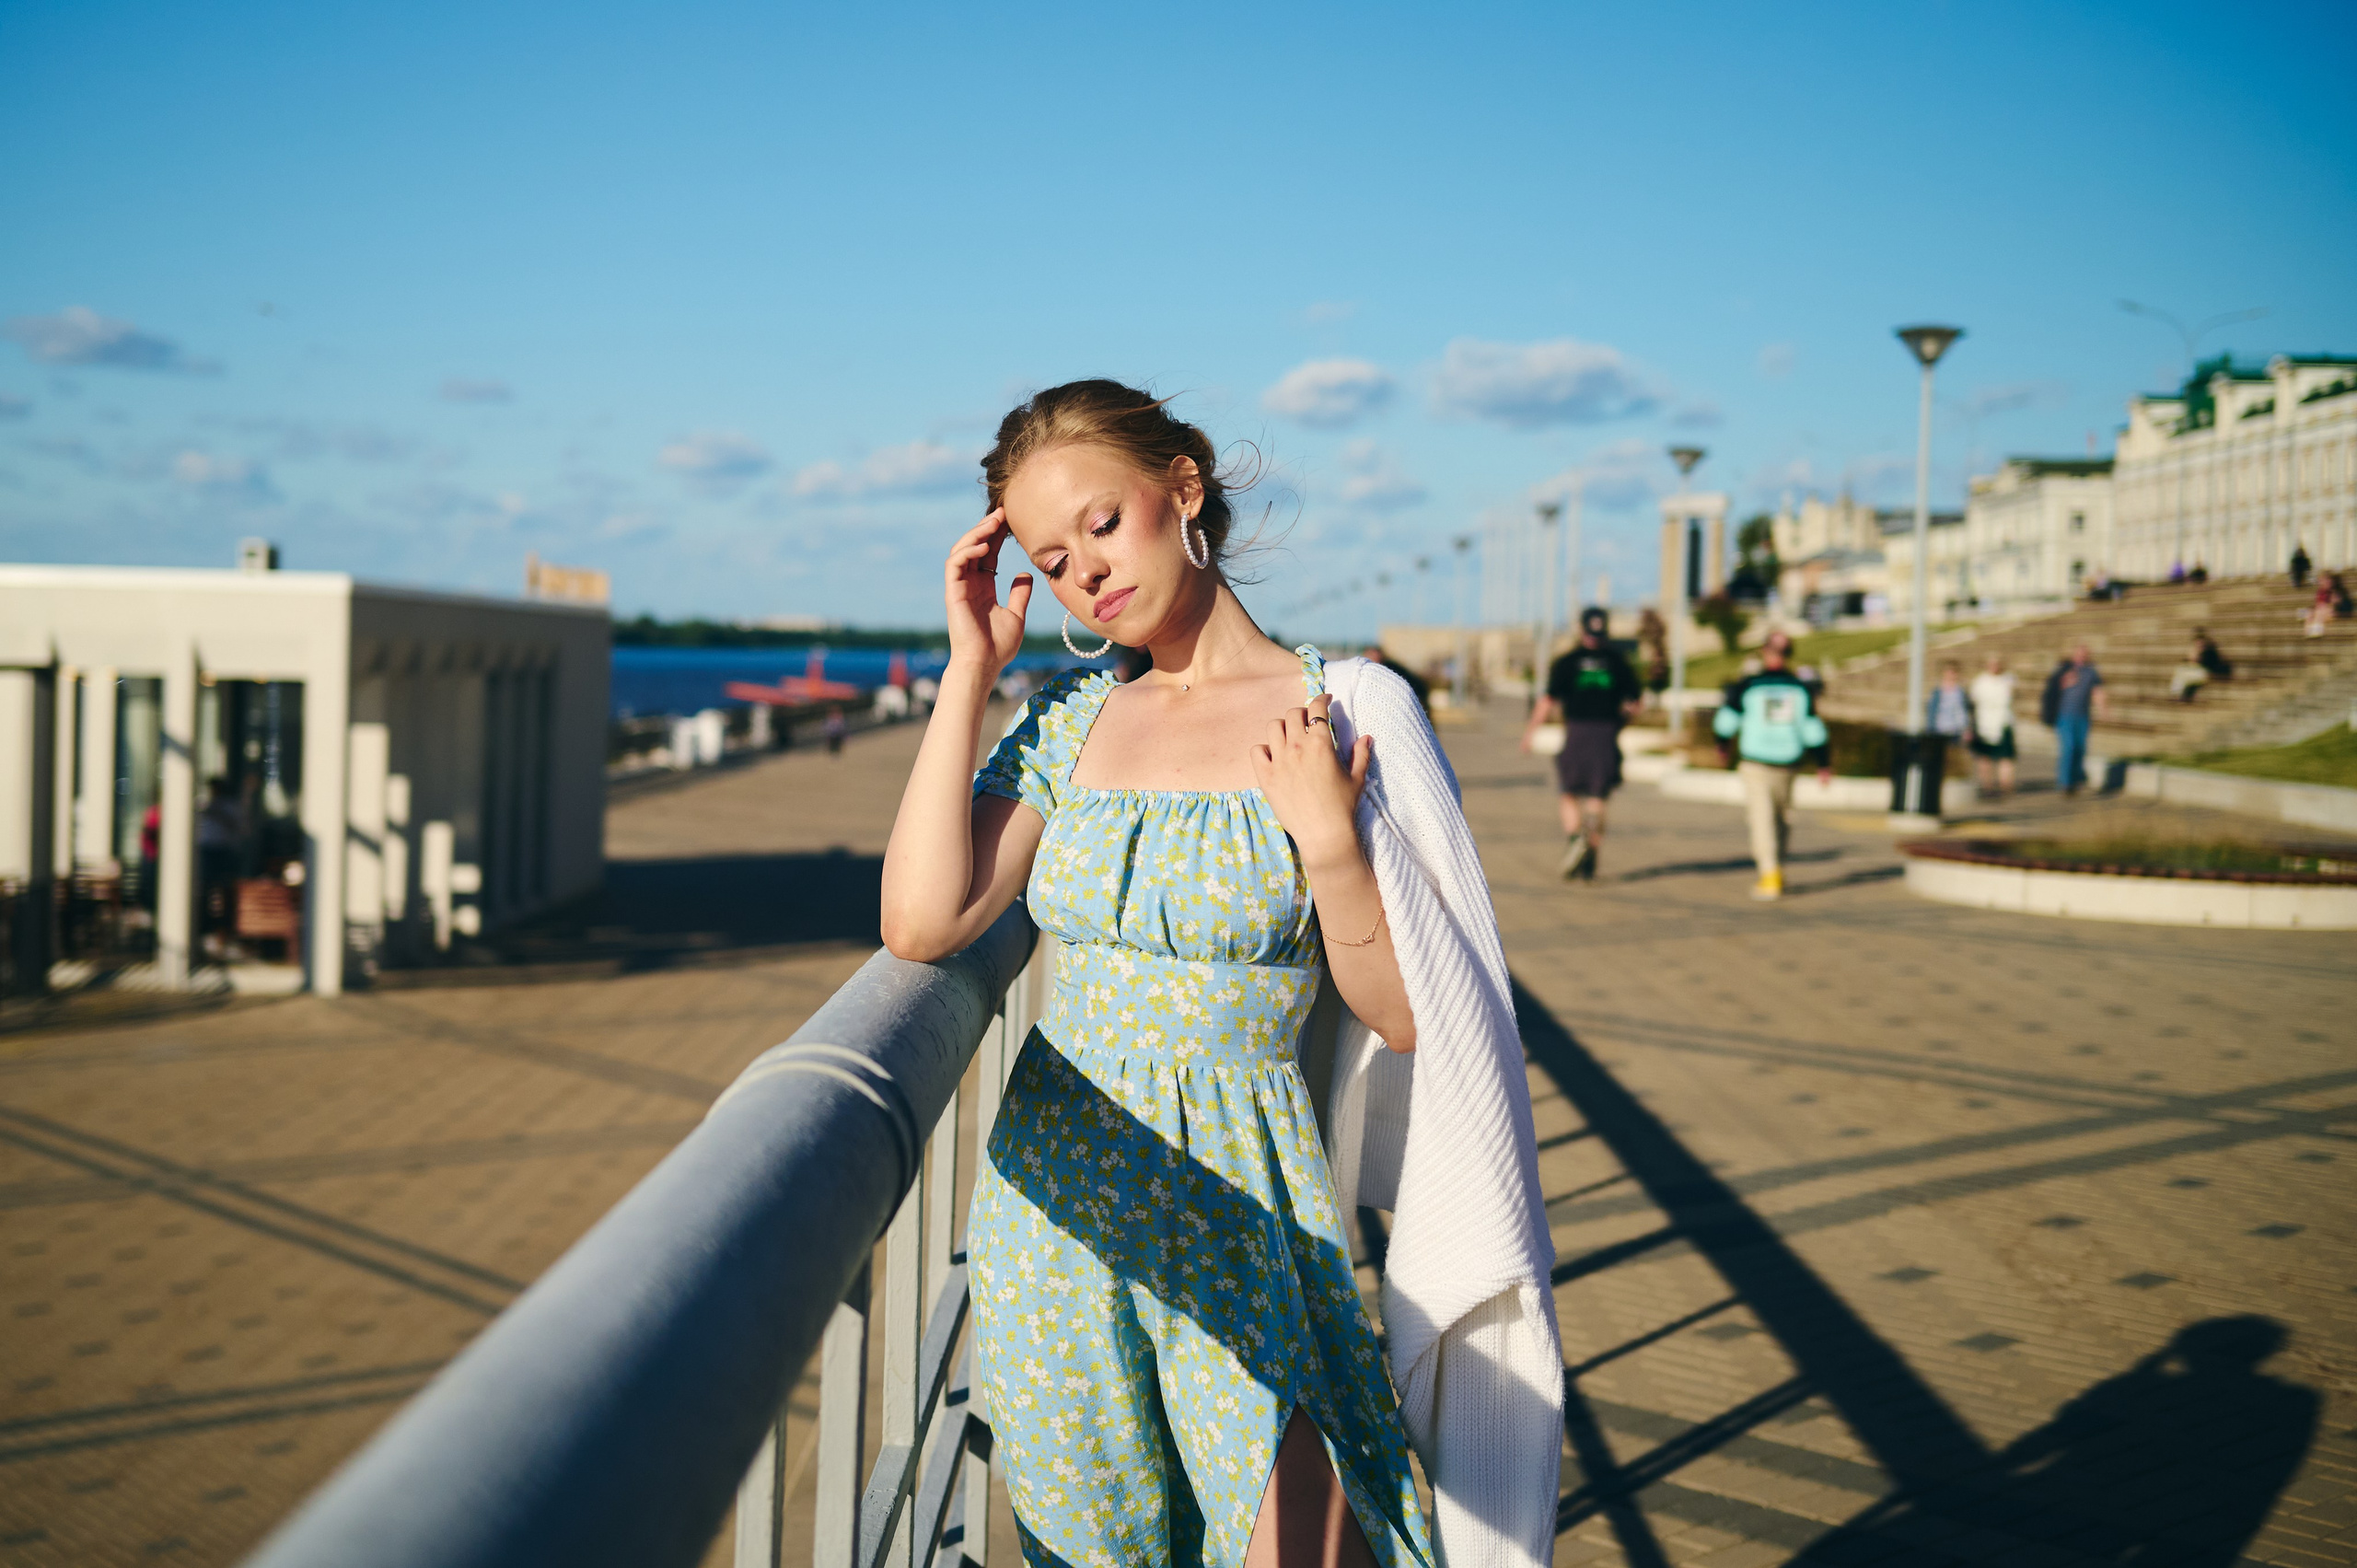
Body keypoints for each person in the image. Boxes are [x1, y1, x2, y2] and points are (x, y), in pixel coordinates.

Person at [879, 380, 1561, 1568]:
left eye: (1102, 523)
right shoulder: (1071, 721)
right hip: (1055, 1197)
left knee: (1298, 1538)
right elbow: (922, 920)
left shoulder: (1341, 709)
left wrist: (1332, 843)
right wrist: (968, 671)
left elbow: (1410, 1014)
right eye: (1053, 559)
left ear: (1183, 488)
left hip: (1243, 1188)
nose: (1087, 571)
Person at [1521, 606, 1641, 881]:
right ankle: (1591, 849)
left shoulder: (1568, 661)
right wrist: (1621, 723)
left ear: (1581, 630)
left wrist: (1529, 734)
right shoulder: (1618, 661)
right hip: (1606, 733)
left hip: (1576, 732)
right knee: (1598, 797)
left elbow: (1547, 701)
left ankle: (1576, 838)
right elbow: (1635, 703)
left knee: (1569, 792)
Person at [1712, 630, 1831, 901]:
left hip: (1774, 763)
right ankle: (1772, 869)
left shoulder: (1753, 685)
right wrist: (1823, 762)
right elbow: (1813, 729)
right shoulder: (1795, 688)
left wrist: (1722, 744)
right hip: (1769, 763)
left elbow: (1726, 721)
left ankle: (1772, 870)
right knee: (1771, 818)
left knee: (1773, 819)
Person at [2043, 644, 2107, 795]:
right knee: (2068, 748)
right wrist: (2064, 682)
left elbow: (2097, 691)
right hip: (2065, 716)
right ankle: (2065, 783)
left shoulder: (2091, 672)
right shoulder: (2064, 669)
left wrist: (2103, 710)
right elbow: (2052, 689)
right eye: (2079, 654)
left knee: (2080, 749)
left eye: (2084, 654)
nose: (2081, 656)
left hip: (2082, 716)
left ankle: (2076, 779)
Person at [1967, 655, 2017, 799]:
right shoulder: (1980, 682)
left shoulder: (2008, 679)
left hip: (2002, 723)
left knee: (2006, 758)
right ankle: (1987, 786)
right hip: (1984, 724)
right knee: (1984, 757)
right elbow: (1973, 702)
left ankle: (2005, 786)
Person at [1363, 644, 1431, 717]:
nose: (1371, 658)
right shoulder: (1379, 668)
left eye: (1373, 654)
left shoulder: (1388, 668)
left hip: (1415, 694)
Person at [2171, 628, 2233, 701]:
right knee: (2180, 671)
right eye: (2197, 643)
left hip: (2206, 673)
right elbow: (2190, 662)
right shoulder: (2199, 651)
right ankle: (2177, 694)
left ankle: (2180, 695)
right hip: (2200, 672)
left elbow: (2205, 665)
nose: (2199, 645)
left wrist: (2196, 658)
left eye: (2200, 643)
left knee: (2184, 675)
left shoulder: (2209, 652)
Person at [1928, 660, 1971, 744]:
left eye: (1953, 672)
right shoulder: (1937, 692)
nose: (1951, 675)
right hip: (1940, 731)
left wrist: (1966, 729)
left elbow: (1964, 712)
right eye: (1948, 672)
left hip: (1957, 732)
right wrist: (1930, 732)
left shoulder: (1961, 692)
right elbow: (1931, 713)